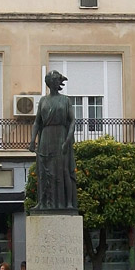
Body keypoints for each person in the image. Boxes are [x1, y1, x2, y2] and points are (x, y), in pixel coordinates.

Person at [28, 70, 78, 211]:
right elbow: (37, 122)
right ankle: (42, 202)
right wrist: (33, 140)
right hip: (46, 137)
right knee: (43, 171)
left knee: (64, 170)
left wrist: (68, 139)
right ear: (49, 83)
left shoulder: (65, 100)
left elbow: (72, 121)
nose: (56, 83)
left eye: (57, 80)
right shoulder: (43, 100)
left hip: (61, 136)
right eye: (53, 80)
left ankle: (68, 203)